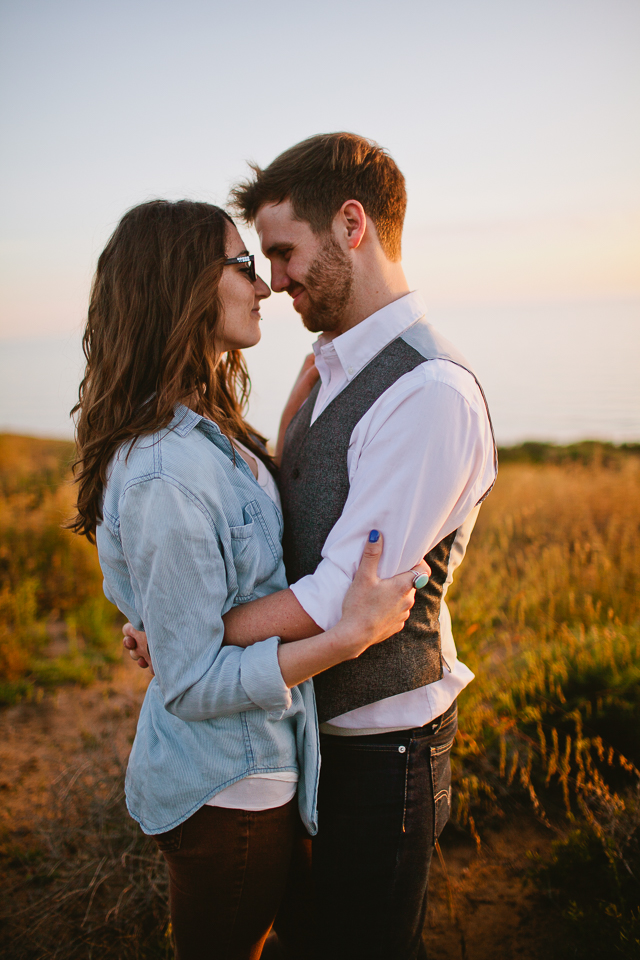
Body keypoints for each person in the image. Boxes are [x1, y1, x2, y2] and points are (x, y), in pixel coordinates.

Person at [126, 133, 498, 959]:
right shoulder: (329, 368)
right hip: (305, 729)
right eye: (261, 260)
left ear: (352, 225)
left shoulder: (428, 391)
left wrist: (192, 630)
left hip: (379, 745)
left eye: (285, 252)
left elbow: (340, 596)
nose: (277, 278)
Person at [69, 198, 428, 960]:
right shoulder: (165, 471)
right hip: (226, 789)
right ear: (182, 289)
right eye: (241, 265)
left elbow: (216, 596)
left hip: (264, 764)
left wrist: (293, 419)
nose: (264, 285)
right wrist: (348, 636)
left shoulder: (207, 428)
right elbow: (193, 681)